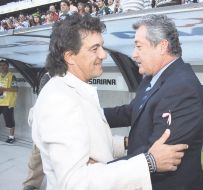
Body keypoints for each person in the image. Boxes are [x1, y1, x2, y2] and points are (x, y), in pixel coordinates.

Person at [30, 13, 188, 190]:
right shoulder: (60, 101)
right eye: (94, 48)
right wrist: (149, 162)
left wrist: (127, 143)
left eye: (102, 47)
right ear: (70, 56)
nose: (103, 54)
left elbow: (96, 144)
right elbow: (74, 182)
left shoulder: (75, 92)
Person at [104, 14, 203, 190]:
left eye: (139, 46)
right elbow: (133, 111)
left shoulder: (182, 88)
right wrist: (91, 113)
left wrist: (99, 172)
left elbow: (158, 156)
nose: (133, 54)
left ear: (162, 46)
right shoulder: (152, 77)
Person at [23, 72, 51, 190]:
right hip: (46, 118)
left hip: (66, 120)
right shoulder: (49, 76)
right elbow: (43, 98)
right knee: (38, 152)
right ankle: (31, 184)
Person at [0, 59, 18, 143]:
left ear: (8, 66)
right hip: (0, 101)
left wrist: (3, 89)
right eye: (1, 65)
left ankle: (11, 137)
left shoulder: (12, 76)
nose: (2, 67)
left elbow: (15, 89)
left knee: (9, 121)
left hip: (8, 103)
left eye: (4, 65)